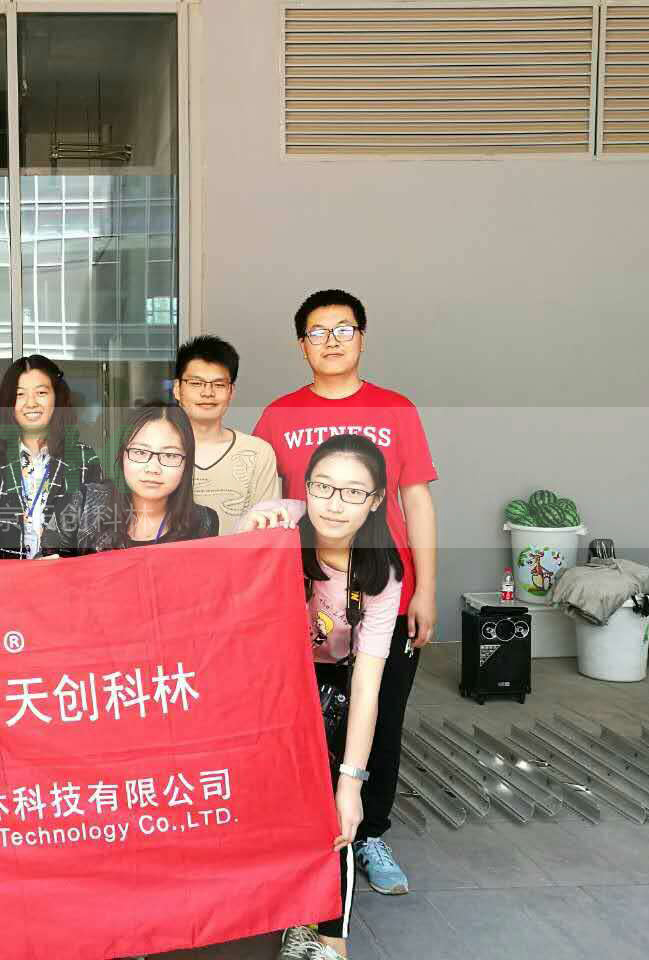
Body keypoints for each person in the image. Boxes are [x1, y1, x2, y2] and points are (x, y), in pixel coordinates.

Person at [251, 289, 437, 896]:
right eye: (317, 331)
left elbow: (417, 500)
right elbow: (264, 505)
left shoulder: (396, 409)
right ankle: (300, 833)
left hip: (384, 590)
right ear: (300, 345)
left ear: (362, 336)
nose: (330, 341)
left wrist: (427, 590)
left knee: (380, 713)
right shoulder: (279, 415)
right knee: (301, 718)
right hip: (301, 600)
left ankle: (370, 832)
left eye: (343, 329)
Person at [241, 434, 403, 960]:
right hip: (261, 684)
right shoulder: (279, 524)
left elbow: (368, 685)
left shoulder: (381, 573)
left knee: (333, 815)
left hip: (329, 687)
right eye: (323, 487)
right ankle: (275, 917)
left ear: (376, 500)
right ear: (305, 488)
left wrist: (351, 783)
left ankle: (328, 940)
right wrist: (254, 531)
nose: (334, 503)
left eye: (353, 492)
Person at [0, 355, 103, 560]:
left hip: (65, 577)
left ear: (57, 398)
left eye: (41, 393)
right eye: (20, 394)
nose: (31, 403)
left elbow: (96, 535)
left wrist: (64, 559)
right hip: (3, 578)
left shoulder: (83, 459)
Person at [74, 403, 218, 554]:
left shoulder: (204, 522)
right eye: (140, 452)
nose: (153, 469)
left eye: (170, 455)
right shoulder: (82, 504)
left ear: (186, 463)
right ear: (122, 455)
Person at [171, 335, 280, 531]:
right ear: (178, 389)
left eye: (219, 384)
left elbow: (266, 532)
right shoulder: (154, 451)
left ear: (231, 392)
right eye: (196, 383)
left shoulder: (258, 453)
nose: (207, 393)